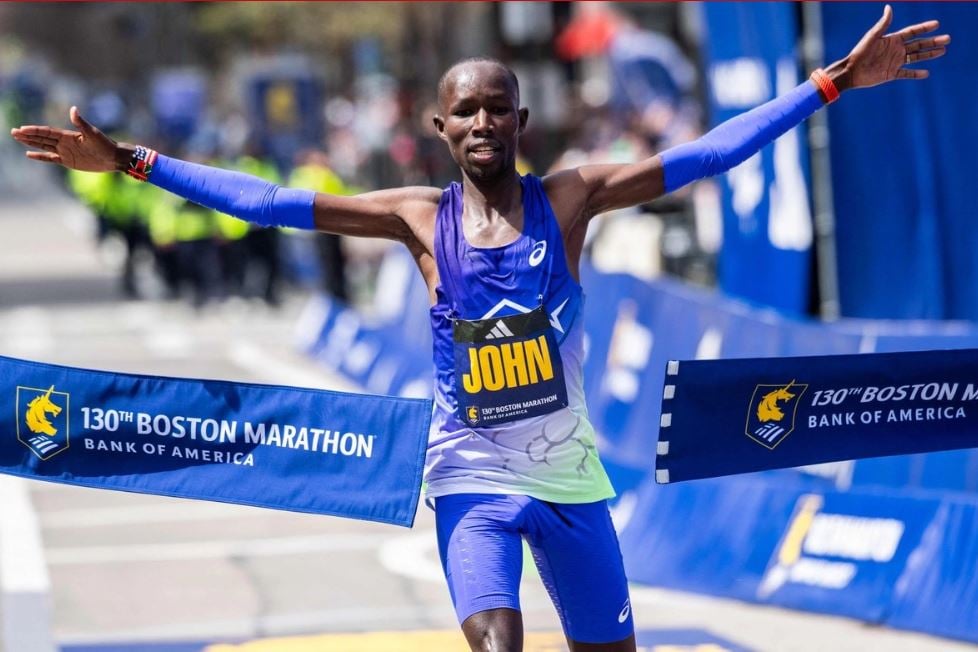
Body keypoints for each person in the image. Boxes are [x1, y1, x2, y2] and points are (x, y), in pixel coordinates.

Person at [9, 7, 949, 651]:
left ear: (522, 119)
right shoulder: (418, 219)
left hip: (572, 485)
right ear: (441, 126)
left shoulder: (571, 199)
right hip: (472, 485)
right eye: (466, 110)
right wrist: (132, 161)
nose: (484, 121)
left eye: (499, 107)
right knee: (497, 643)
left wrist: (831, 83)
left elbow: (706, 154)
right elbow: (267, 203)